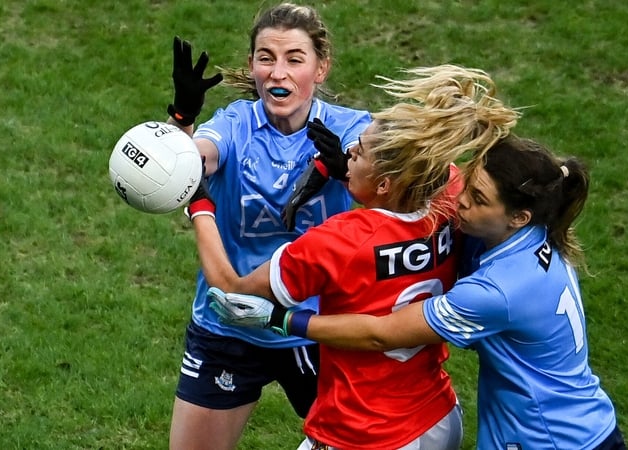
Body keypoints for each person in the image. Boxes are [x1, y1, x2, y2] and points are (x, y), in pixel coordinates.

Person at [219, 135, 628, 449]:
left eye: (479, 200)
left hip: (546, 439)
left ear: (517, 217)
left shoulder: (498, 290)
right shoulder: (541, 231)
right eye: (468, 185)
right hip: (583, 425)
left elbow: (384, 333)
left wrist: (284, 319)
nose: (459, 203)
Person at [186, 65, 520, 449]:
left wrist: (200, 204)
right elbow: (424, 167)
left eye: (357, 154)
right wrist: (345, 168)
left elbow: (234, 291)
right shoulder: (447, 199)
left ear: (383, 183)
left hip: (363, 431)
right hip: (437, 418)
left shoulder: (338, 242)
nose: (348, 157)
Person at [163, 4, 372, 450]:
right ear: (252, 65)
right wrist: (181, 121)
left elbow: (396, 190)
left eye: (294, 59)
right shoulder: (235, 124)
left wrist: (350, 171)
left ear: (321, 68)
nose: (278, 73)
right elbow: (185, 165)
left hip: (318, 329)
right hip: (229, 328)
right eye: (266, 58)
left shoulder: (352, 128)